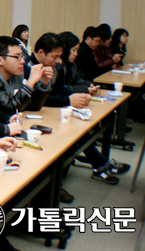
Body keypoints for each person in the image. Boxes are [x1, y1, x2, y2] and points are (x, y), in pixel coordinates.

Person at [39, 31, 131, 185]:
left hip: (57, 108)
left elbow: (70, 84)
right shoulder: (52, 66)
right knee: (76, 132)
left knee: (80, 131)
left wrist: (87, 87)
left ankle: (99, 164)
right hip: (49, 110)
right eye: (73, 50)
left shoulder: (66, 66)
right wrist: (73, 97)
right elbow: (54, 93)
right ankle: (100, 164)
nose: (75, 54)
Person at [0, 36, 51, 115]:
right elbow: (9, 110)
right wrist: (30, 82)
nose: (22, 61)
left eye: (22, 56)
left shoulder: (16, 74)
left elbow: (33, 106)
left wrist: (45, 82)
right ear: (0, 60)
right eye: (17, 57)